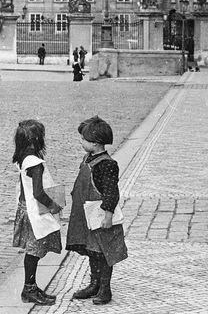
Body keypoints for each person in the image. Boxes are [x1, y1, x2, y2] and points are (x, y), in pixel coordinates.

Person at [66, 116, 128, 305]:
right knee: (92, 250)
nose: (81, 141)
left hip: (100, 216)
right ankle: (94, 284)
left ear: (95, 143)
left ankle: (105, 288)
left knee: (103, 252)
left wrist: (108, 216)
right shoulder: (88, 158)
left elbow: (111, 193)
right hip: (86, 215)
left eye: (83, 139)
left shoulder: (107, 164)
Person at [11, 119, 62, 306]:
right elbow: (39, 192)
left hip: (25, 209)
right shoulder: (36, 163)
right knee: (34, 251)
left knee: (33, 251)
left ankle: (31, 285)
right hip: (35, 213)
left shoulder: (23, 157)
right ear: (36, 140)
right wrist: (53, 205)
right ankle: (29, 288)